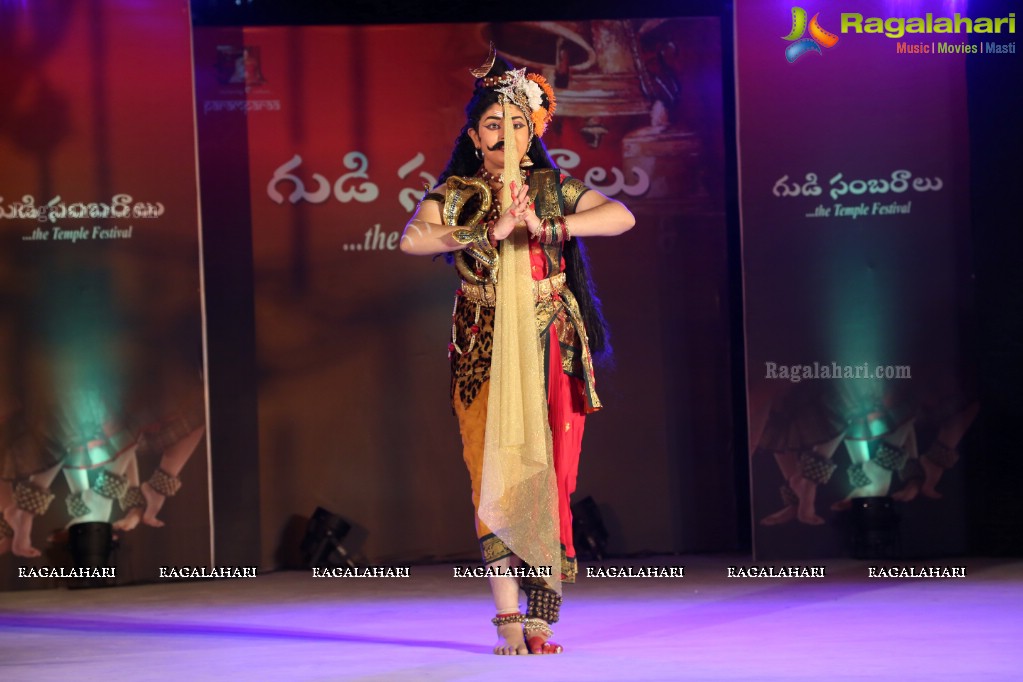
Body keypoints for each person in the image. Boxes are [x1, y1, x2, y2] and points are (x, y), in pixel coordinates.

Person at [400, 47, 634, 655]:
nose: (505, 135)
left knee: (551, 477)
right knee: (494, 479)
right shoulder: (455, 191)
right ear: (476, 137)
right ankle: (507, 619)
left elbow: (619, 218)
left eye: (517, 124)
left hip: (550, 343)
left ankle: (542, 619)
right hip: (483, 350)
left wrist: (547, 228)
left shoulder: (552, 191)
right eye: (493, 125)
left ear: (533, 135)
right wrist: (488, 231)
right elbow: (412, 241)